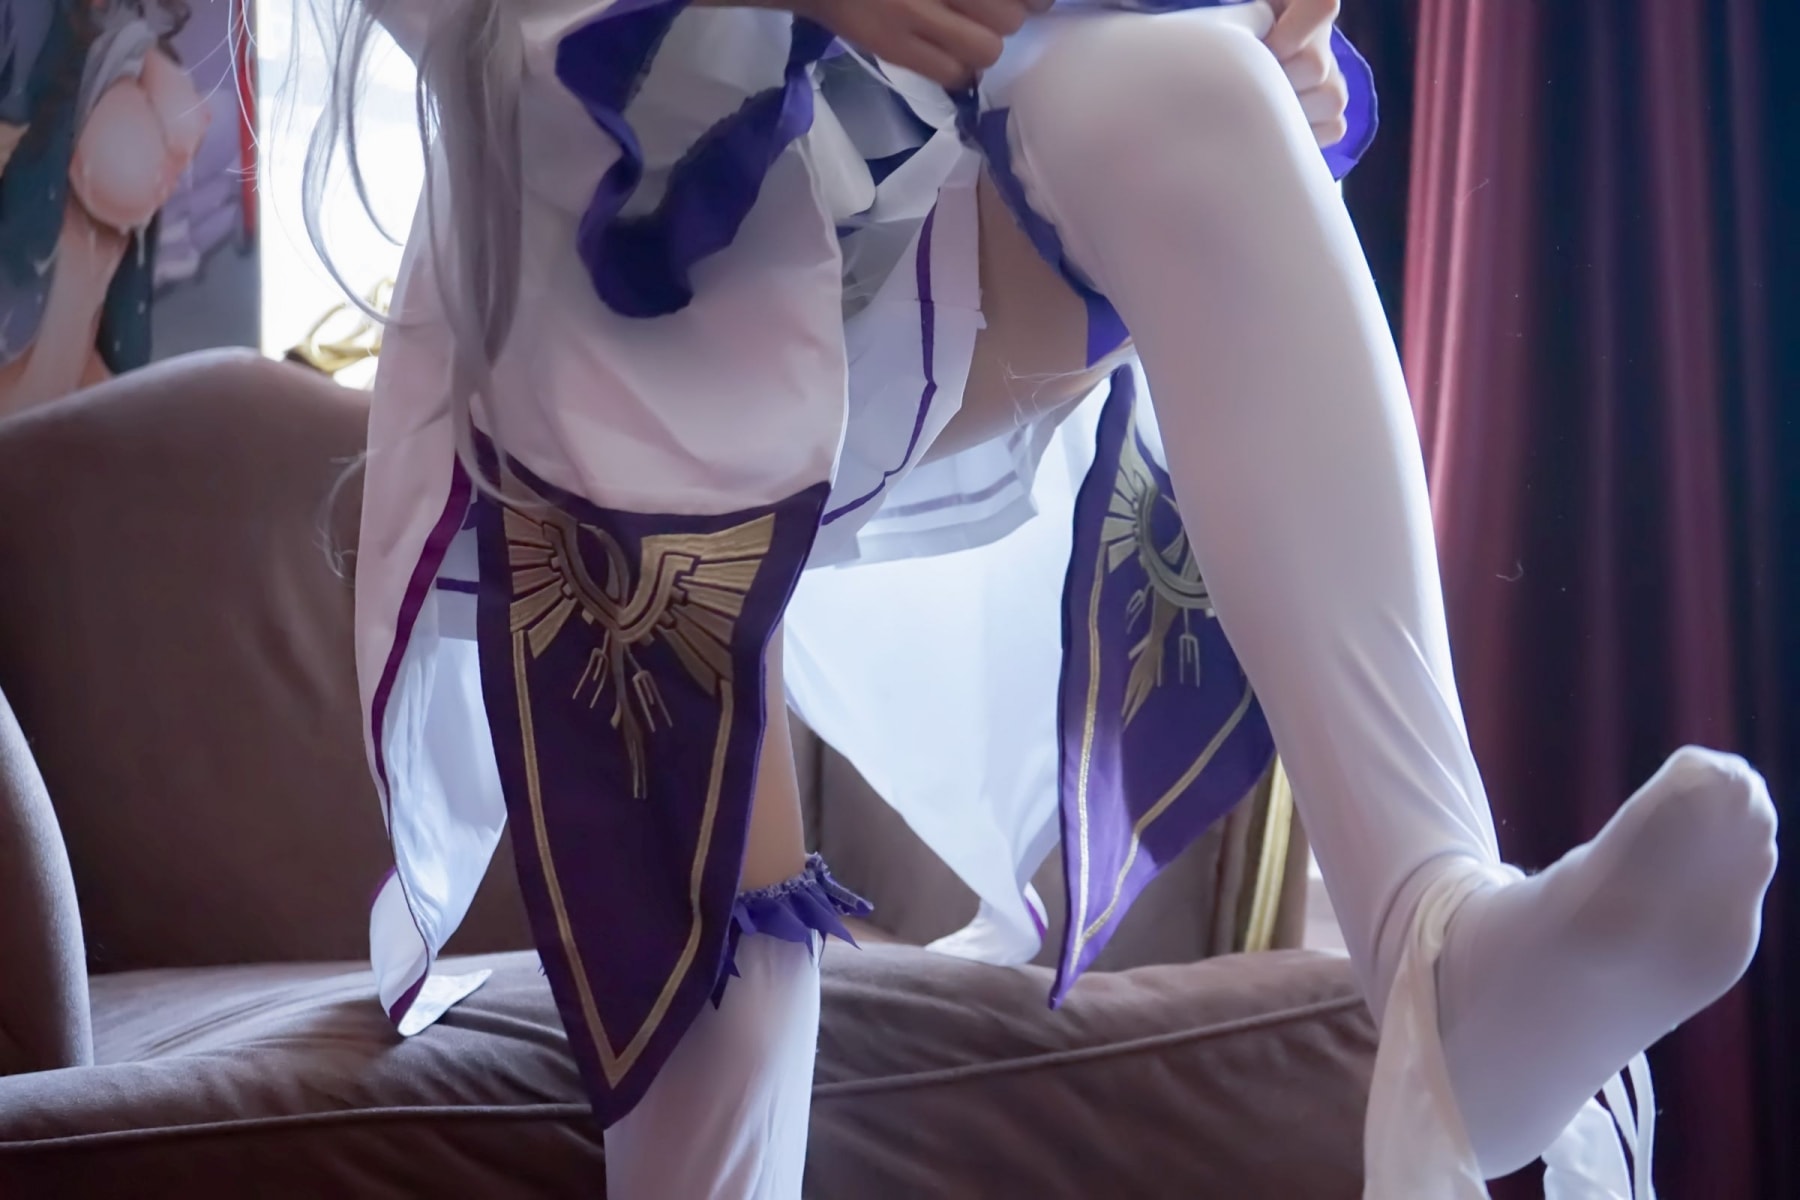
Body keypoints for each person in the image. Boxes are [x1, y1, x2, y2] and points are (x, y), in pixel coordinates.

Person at [318, 0, 1780, 1194]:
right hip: (614, 251)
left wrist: (1251, 35)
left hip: (913, 194)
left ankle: (1441, 958)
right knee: (726, 1021)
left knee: (1193, 91)